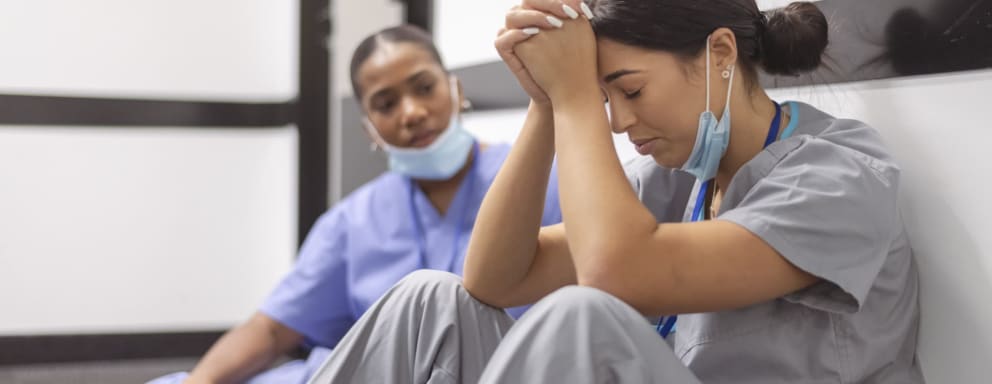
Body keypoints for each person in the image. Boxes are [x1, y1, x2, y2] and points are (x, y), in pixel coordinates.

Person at [304, 1, 925, 383]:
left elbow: (610, 276)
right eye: (604, 98)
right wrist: (546, 103)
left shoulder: (838, 176)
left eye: (628, 91)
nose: (618, 122)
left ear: (720, 53)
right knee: (427, 304)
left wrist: (575, 94)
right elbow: (493, 278)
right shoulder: (675, 180)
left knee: (581, 318)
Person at [148, 24, 562, 384]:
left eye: (424, 88)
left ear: (455, 89)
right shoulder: (353, 221)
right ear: (370, 128)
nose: (412, 113)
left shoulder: (542, 178)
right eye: (386, 104)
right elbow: (273, 329)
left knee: (430, 293)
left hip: (502, 372)